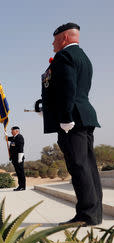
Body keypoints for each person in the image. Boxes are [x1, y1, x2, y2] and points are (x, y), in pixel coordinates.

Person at [38, 23, 102, 226]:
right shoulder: (83, 56)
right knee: (88, 166)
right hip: (85, 116)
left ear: (64, 38)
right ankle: (94, 212)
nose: (52, 43)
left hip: (72, 119)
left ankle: (86, 215)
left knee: (78, 166)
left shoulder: (64, 57)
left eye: (55, 39)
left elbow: (68, 89)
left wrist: (65, 117)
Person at [6, 126, 26, 191]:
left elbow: (21, 148)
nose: (11, 132)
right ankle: (20, 186)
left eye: (12, 130)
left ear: (17, 131)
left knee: (21, 172)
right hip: (14, 159)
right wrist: (5, 135)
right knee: (18, 172)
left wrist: (20, 158)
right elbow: (7, 138)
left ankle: (22, 186)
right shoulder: (14, 138)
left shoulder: (19, 137)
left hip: (19, 158)